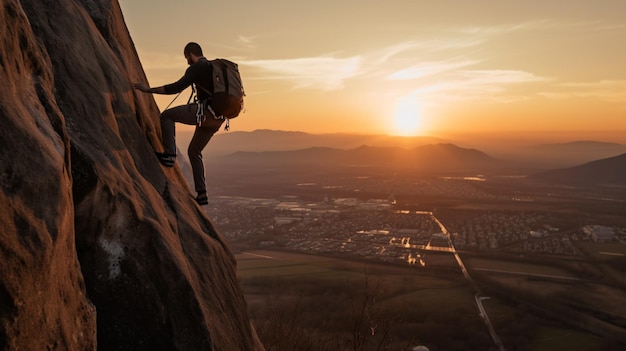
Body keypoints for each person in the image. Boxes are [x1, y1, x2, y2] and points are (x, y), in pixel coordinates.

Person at [134, 42, 222, 205]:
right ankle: (202, 194)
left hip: (204, 113)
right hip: (218, 119)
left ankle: (169, 155)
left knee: (167, 116)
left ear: (190, 54)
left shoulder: (196, 68)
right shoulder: (213, 68)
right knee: (194, 151)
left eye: (186, 57)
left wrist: (148, 90)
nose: (187, 61)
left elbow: (175, 87)